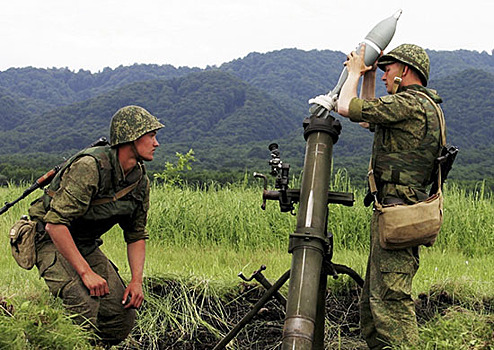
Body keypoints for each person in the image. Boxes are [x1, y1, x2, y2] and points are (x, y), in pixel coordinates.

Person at [28, 105, 164, 346]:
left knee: (121, 314)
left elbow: (135, 235)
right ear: (130, 138)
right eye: (151, 136)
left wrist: (136, 281)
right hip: (49, 239)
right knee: (83, 302)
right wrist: (86, 273)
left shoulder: (140, 181)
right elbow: (55, 225)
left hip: (84, 244)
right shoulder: (90, 167)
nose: (156, 143)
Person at [337, 44, 444, 349]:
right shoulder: (416, 106)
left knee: (391, 302)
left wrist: (355, 72)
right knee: (375, 305)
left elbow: (348, 108)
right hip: (397, 213)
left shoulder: (410, 105)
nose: (384, 75)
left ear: (406, 72)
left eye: (388, 69)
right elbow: (368, 118)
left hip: (399, 214)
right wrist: (367, 78)